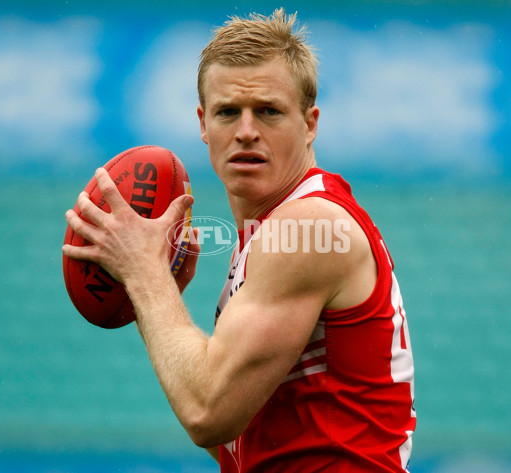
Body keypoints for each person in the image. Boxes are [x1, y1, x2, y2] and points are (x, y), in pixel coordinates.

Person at [63, 8, 416, 473]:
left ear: (310, 124)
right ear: (203, 123)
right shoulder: (276, 230)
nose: (246, 131)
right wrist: (156, 291)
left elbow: (208, 413)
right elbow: (242, 438)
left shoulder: (308, 228)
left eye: (268, 111)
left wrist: (146, 274)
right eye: (228, 112)